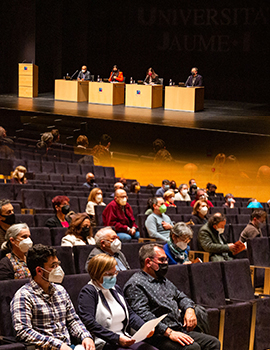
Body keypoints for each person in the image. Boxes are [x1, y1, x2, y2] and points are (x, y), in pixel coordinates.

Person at [124, 244, 220, 350]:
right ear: (148, 262)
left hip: (177, 328)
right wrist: (169, 332)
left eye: (166, 259)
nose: (166, 263)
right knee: (192, 348)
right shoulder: (135, 284)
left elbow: (181, 297)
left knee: (213, 343)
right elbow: (144, 315)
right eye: (162, 260)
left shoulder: (163, 280)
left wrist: (189, 309)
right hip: (157, 335)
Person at [11, 244, 94, 350]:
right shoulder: (23, 295)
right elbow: (23, 331)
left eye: (58, 264)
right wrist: (57, 345)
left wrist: (85, 336)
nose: (58, 269)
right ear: (39, 271)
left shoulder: (60, 290)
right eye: (53, 266)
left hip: (68, 346)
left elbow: (72, 320)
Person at [79, 254, 156, 350]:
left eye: (115, 273)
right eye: (109, 274)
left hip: (124, 337)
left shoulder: (115, 288)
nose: (114, 277)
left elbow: (130, 314)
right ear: (97, 273)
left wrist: (144, 327)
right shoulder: (88, 292)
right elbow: (89, 323)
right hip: (103, 341)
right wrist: (117, 338)